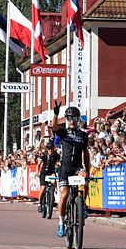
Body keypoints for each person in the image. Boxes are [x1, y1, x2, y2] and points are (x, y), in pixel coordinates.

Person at [52, 101, 90, 237]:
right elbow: (54, 126)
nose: (71, 121)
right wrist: (56, 114)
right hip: (65, 168)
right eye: (69, 118)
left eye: (74, 118)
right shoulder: (63, 133)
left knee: (84, 183)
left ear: (78, 119)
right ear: (67, 120)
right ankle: (61, 222)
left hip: (77, 167)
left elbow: (85, 154)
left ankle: (82, 206)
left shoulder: (83, 135)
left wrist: (88, 170)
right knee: (64, 195)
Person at [37, 138, 60, 214]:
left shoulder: (56, 155)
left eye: (51, 149)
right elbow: (39, 164)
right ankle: (40, 203)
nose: (50, 151)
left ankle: (53, 193)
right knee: (43, 188)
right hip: (44, 173)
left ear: (53, 149)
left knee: (54, 181)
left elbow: (58, 162)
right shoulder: (45, 155)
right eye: (48, 149)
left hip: (51, 172)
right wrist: (37, 171)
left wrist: (59, 165)